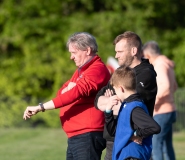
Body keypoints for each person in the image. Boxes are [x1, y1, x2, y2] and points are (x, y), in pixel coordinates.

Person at [23, 32, 111, 160]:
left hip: (87, 134)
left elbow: (74, 93)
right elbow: (62, 93)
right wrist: (72, 88)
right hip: (78, 135)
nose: (71, 57)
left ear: (87, 50)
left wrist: (40, 107)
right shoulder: (82, 70)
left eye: (74, 53)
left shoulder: (97, 69)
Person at [94, 31, 158, 160]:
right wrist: (111, 103)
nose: (116, 55)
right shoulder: (120, 72)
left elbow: (131, 104)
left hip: (133, 142)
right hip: (114, 139)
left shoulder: (146, 74)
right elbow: (98, 99)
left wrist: (113, 102)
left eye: (120, 52)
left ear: (133, 51)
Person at [105, 65, 161, 160]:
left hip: (132, 155)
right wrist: (108, 111)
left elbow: (155, 127)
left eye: (115, 90)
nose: (115, 93)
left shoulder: (134, 108)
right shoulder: (127, 105)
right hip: (125, 155)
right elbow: (115, 132)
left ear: (121, 88)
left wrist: (136, 134)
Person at [142, 41, 177, 160]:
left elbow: (166, 86)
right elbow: (174, 86)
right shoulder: (167, 64)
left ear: (148, 55)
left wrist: (154, 101)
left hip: (161, 111)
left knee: (156, 146)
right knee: (167, 147)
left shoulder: (160, 65)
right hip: (169, 110)